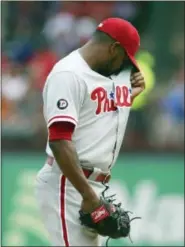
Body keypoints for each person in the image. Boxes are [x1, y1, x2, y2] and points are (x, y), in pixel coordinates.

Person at [35, 17, 145, 246]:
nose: (125, 67)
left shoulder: (107, 74)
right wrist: (89, 197)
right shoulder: (68, 74)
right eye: (125, 59)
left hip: (88, 185)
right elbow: (59, 140)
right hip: (68, 184)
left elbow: (100, 108)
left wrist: (133, 93)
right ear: (113, 48)